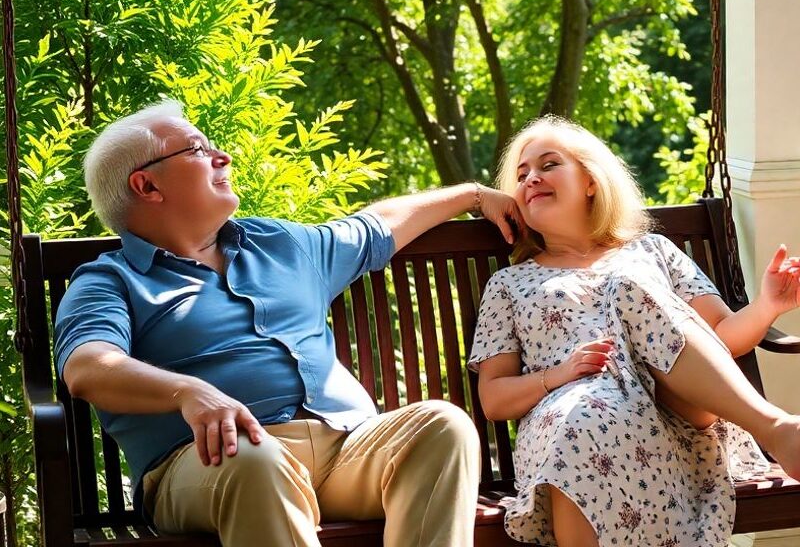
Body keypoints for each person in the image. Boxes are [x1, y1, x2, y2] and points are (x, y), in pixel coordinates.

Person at [54, 99, 525, 547]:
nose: (224, 156)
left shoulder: (279, 244)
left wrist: (473, 194)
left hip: (345, 451)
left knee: (442, 426)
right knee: (253, 460)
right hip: (212, 464)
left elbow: (375, 226)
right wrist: (189, 392)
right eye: (199, 149)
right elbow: (89, 366)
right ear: (147, 187)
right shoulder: (110, 280)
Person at [468, 115, 800, 547]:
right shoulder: (509, 285)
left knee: (629, 287)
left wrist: (767, 305)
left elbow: (719, 338)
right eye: (521, 174)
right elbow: (494, 398)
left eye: (548, 165)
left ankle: (776, 429)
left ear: (590, 180)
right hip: (574, 421)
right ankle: (779, 429)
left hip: (674, 412)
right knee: (581, 418)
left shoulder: (652, 251)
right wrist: (558, 376)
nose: (531, 178)